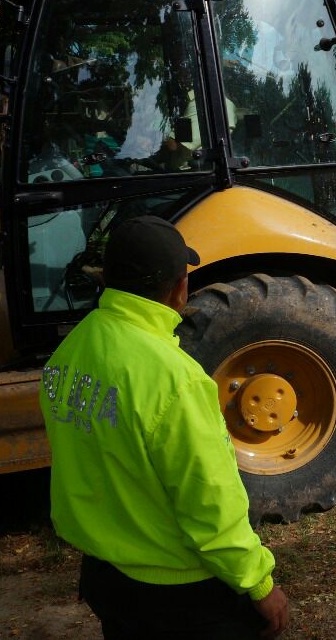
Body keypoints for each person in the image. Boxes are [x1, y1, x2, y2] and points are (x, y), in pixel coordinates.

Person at [38, 215, 290, 638]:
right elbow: (210, 503)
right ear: (179, 288)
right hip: (177, 593)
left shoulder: (72, 348)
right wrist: (259, 583)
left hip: (106, 575)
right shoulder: (176, 380)